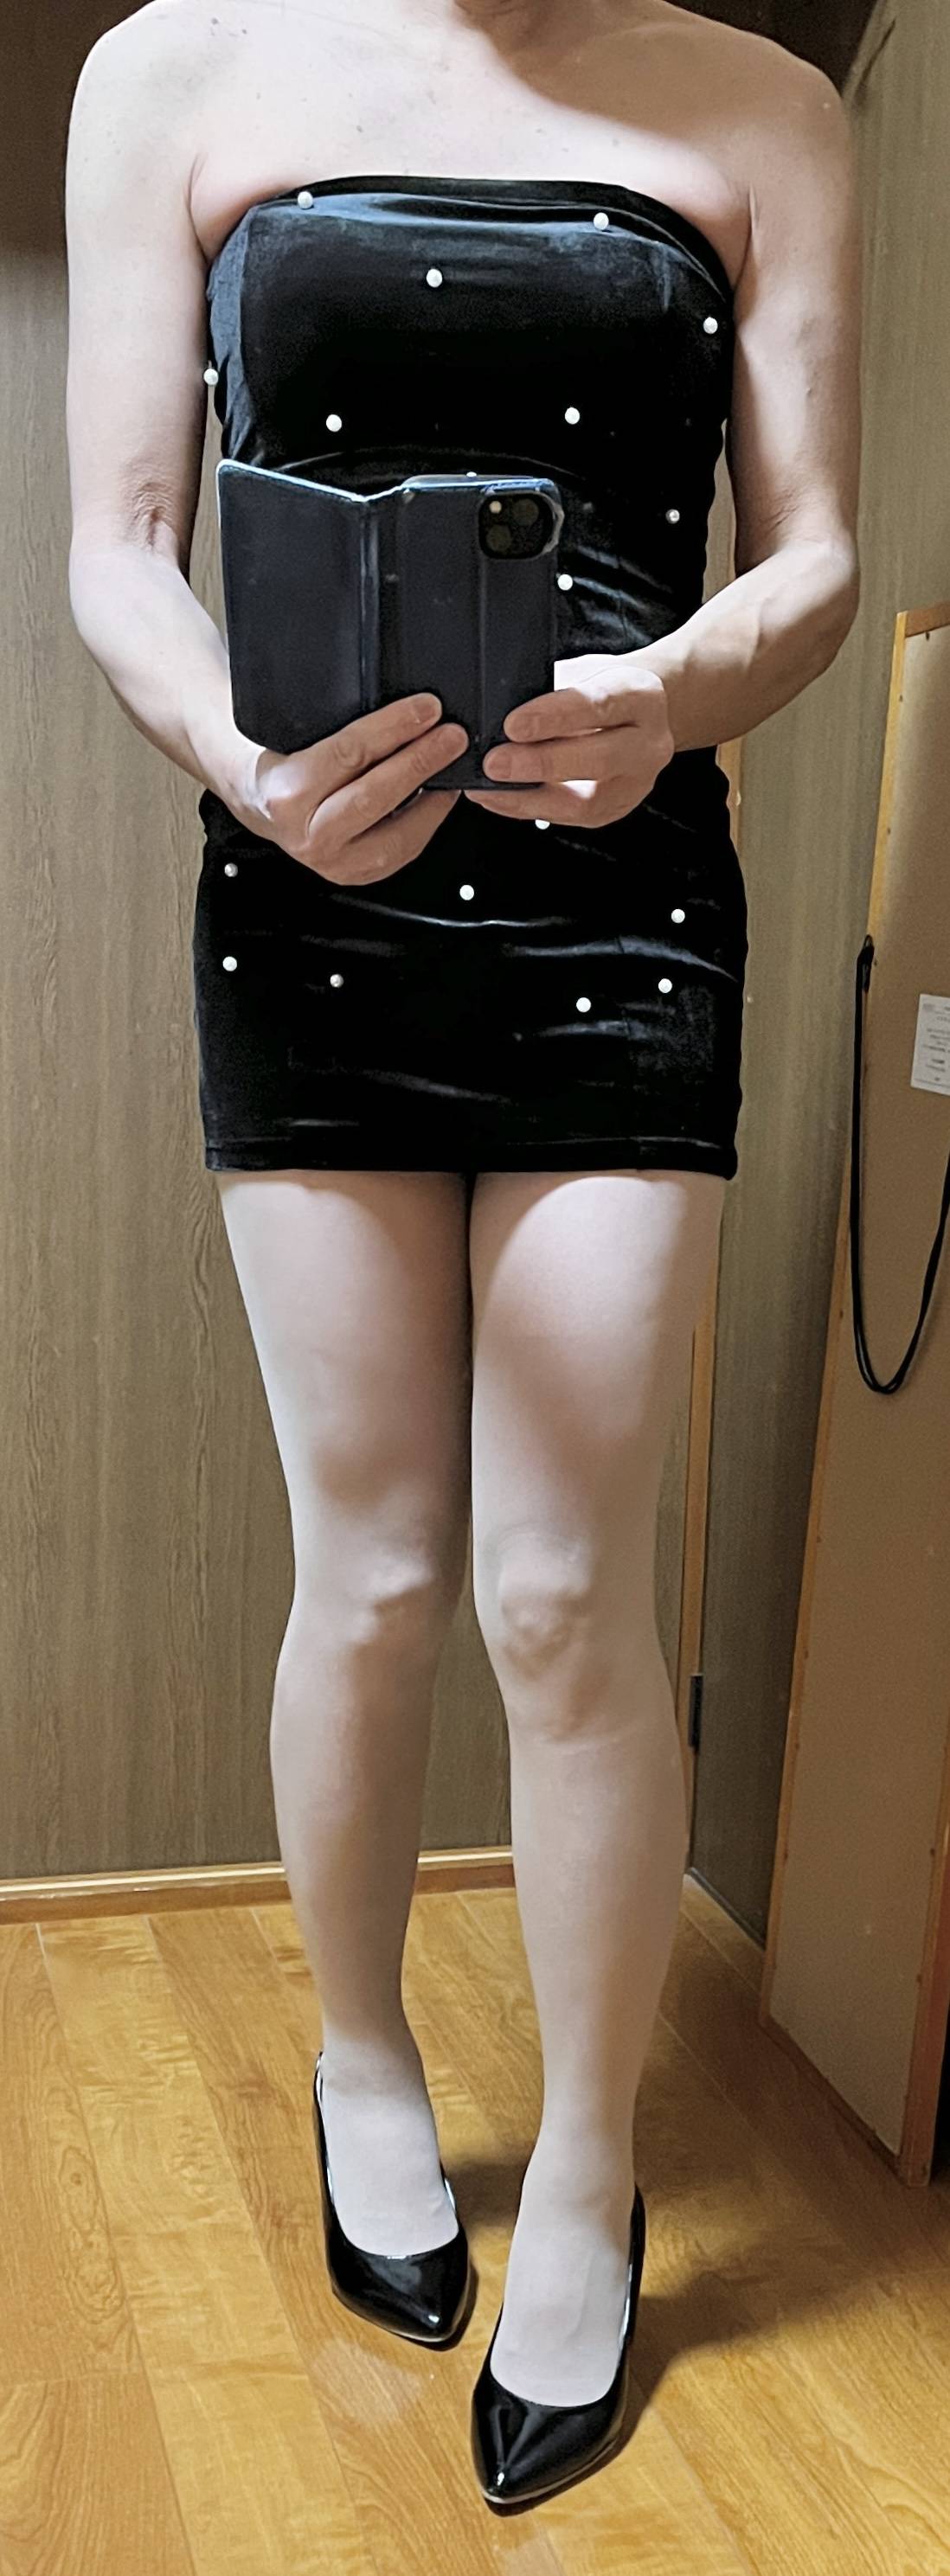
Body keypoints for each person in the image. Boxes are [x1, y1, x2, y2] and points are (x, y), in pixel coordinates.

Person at [64, 0, 862, 2509]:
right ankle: (365, 2063)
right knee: (380, 1567)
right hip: (309, 890)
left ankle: (596, 2176)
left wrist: (681, 681)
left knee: (563, 1591)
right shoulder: (170, 70)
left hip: (625, 900)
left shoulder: (765, 102)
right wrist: (242, 764)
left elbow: (817, 554)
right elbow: (116, 547)